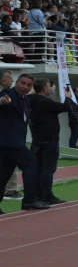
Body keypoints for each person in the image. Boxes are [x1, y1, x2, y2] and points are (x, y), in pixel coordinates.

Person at [0, 74, 49, 213]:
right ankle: (29, 201)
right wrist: (3, 101)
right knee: (31, 165)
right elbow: (2, 99)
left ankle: (29, 200)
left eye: (28, 85)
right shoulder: (8, 93)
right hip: (10, 141)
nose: (25, 87)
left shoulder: (26, 99)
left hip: (10, 142)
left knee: (3, 174)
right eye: (22, 83)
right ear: (16, 82)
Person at [29, 79, 75, 204]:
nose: (51, 88)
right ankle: (47, 195)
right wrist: (68, 97)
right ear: (44, 88)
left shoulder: (29, 100)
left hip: (36, 138)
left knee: (38, 168)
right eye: (50, 86)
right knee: (48, 169)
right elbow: (65, 107)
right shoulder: (44, 101)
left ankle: (37, 194)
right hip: (49, 139)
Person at [1, 70, 23, 201]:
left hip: (10, 135)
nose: (12, 81)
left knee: (8, 163)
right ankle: (10, 190)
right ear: (3, 81)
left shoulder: (14, 94)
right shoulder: (5, 94)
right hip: (7, 136)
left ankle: (9, 189)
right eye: (10, 78)